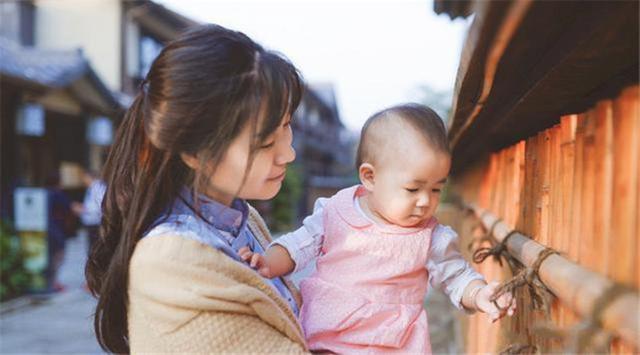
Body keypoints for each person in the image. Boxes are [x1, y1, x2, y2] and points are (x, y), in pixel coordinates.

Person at [85, 24, 307, 353]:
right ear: (195, 153)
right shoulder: (173, 260)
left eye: (286, 125)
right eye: (265, 143)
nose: (288, 153)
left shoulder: (239, 217)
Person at [240, 104, 517, 353]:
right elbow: (298, 245)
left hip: (395, 343)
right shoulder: (336, 211)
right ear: (370, 177)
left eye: (436, 189)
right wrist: (267, 263)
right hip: (329, 338)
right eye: (413, 188)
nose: (425, 201)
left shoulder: (431, 236)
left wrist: (479, 294)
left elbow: (456, 276)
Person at [45, 172, 74, 293]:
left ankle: (50, 282)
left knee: (51, 255)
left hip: (46, 228)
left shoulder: (45, 193)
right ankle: (53, 282)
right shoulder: (58, 194)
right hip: (56, 229)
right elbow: (69, 207)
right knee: (59, 255)